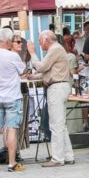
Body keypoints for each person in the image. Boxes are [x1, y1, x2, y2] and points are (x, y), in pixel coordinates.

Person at [28, 30, 74, 168]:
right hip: (60, 86)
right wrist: (33, 77)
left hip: (57, 88)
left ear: (47, 39)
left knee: (56, 125)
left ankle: (57, 158)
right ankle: (67, 155)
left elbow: (42, 67)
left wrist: (32, 53)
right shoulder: (57, 49)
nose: (39, 43)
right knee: (61, 125)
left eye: (40, 40)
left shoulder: (55, 49)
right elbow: (49, 71)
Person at [0, 28, 27, 173]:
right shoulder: (12, 56)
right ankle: (11, 162)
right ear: (8, 41)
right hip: (12, 97)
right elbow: (22, 71)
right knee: (11, 130)